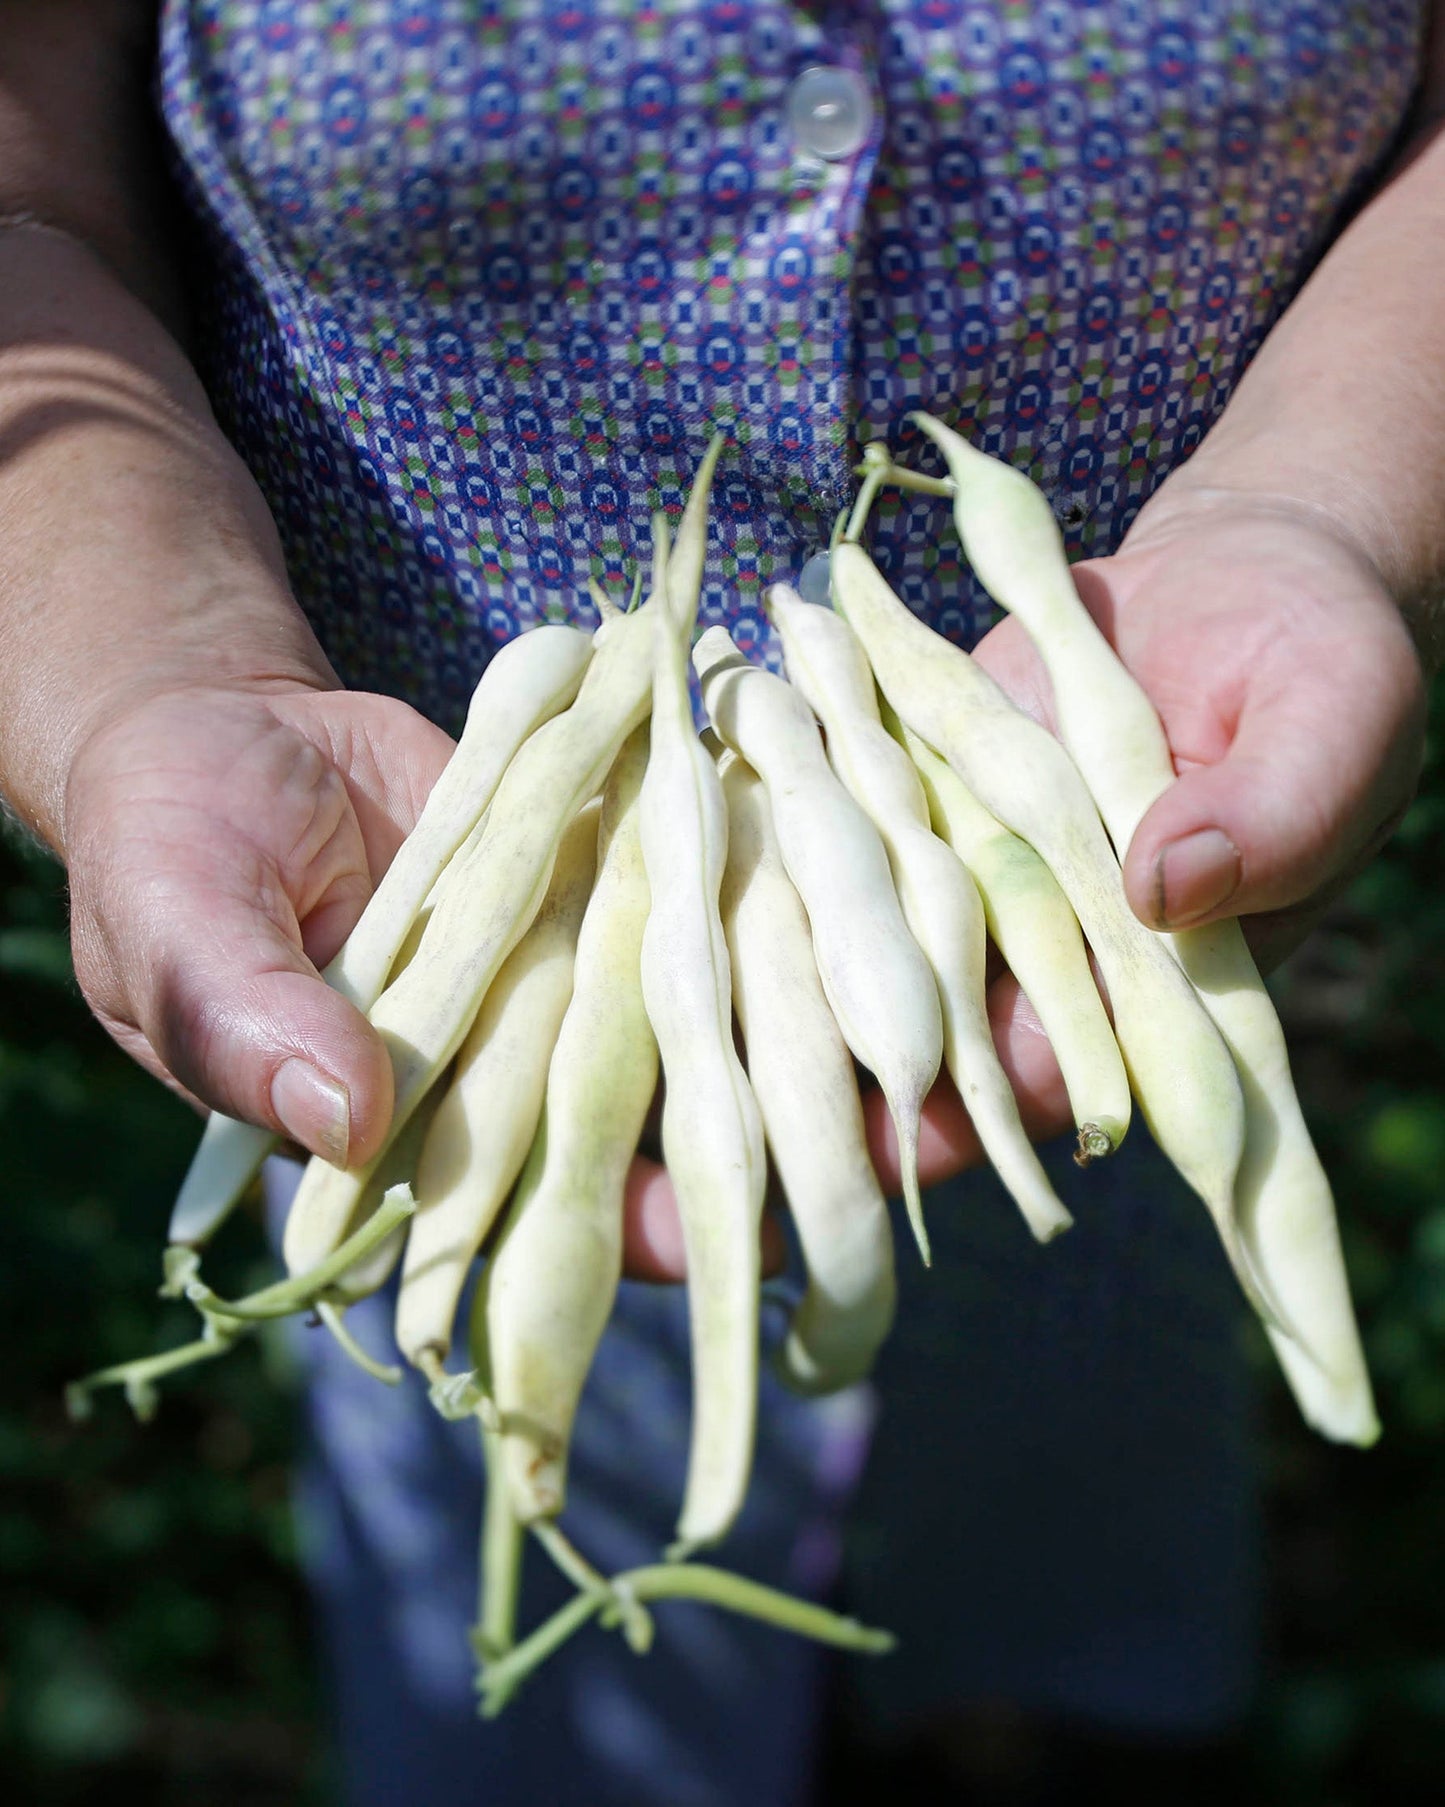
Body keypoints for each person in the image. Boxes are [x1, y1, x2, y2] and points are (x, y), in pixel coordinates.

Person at [1, 2, 1439, 1802]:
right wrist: (153, 662)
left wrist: (1322, 501)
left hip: (1092, 923)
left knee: (1063, 1604)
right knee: (534, 1575)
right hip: (437, 967)